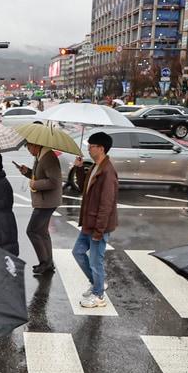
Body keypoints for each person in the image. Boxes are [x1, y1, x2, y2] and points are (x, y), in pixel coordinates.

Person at [73, 131, 118, 309]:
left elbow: (106, 204)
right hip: (88, 223)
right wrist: (79, 168)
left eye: (91, 146)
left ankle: (99, 296)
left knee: (95, 261)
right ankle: (98, 284)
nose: (89, 149)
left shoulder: (108, 172)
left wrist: (99, 231)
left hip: (98, 226)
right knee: (77, 252)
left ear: (101, 148)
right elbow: (84, 188)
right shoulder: (96, 166)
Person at [16, 143, 61, 276]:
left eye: (29, 148)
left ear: (35, 145)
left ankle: (44, 263)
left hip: (46, 202)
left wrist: (35, 184)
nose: (29, 151)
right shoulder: (40, 156)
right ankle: (48, 263)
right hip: (45, 201)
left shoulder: (48, 158)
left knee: (32, 230)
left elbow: (54, 181)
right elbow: (40, 176)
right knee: (42, 231)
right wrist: (28, 172)